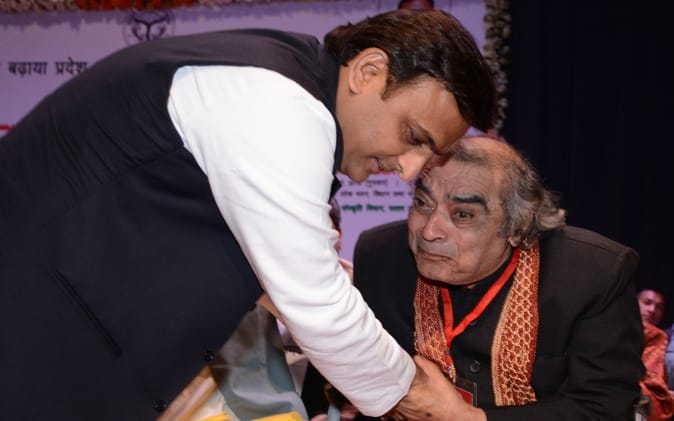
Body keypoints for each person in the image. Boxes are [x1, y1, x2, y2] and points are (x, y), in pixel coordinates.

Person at [0, 10, 495, 419]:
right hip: (32, 341)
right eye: (412, 137)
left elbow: (283, 271)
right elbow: (314, 300)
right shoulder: (278, 102)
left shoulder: (282, 83)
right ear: (368, 71)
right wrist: (431, 402)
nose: (409, 170)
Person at [352, 135, 645, 420]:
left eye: (462, 215)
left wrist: (466, 418)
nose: (429, 231)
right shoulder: (379, 257)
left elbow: (604, 409)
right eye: (422, 203)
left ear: (518, 227)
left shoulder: (592, 276)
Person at [636, 288, 674, 420]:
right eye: (647, 302)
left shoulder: (662, 337)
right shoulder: (613, 328)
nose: (652, 310)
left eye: (659, 307)